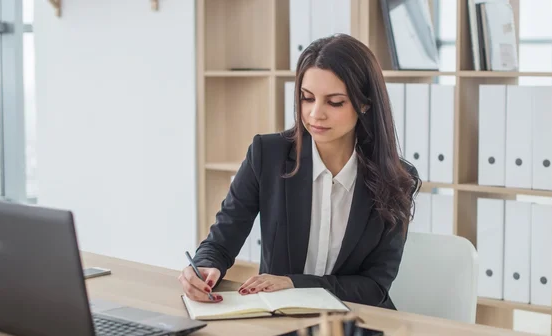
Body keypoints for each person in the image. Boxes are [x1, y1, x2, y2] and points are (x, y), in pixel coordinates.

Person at [178, 33, 421, 309]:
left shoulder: (397, 179)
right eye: (307, 98)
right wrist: (204, 267)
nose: (316, 114)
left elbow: (374, 287)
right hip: (280, 319)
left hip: (356, 323)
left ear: (364, 104)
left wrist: (295, 284)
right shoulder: (266, 155)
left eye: (335, 102)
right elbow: (220, 242)